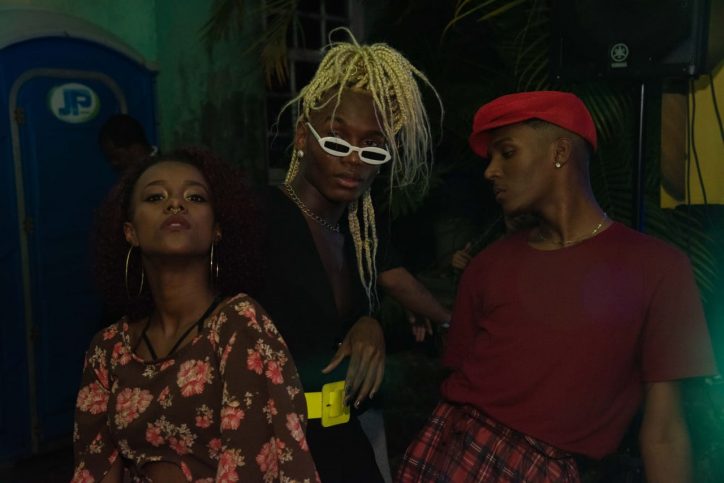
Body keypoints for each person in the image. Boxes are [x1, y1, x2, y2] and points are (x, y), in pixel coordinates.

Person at [397, 91, 718, 482]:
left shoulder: (659, 267)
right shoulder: (488, 266)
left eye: (507, 153)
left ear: (560, 152)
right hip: (453, 454)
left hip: (548, 470)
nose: (490, 171)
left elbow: (665, 431)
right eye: (490, 159)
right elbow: (454, 382)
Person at [256, 30, 449, 482]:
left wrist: (369, 322)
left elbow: (354, 312)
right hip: (269, 446)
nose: (354, 159)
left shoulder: (358, 233)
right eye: (337, 140)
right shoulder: (258, 215)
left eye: (373, 146)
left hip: (341, 438)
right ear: (302, 138)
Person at [72, 148, 318, 482]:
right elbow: (94, 469)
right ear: (130, 232)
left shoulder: (237, 325)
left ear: (217, 229)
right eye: (156, 197)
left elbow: (251, 466)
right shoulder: (108, 349)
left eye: (195, 197)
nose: (175, 204)